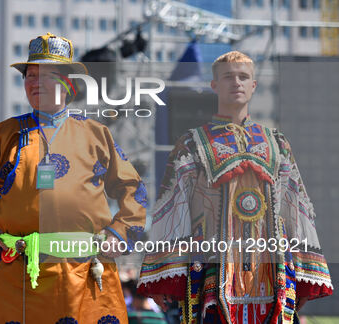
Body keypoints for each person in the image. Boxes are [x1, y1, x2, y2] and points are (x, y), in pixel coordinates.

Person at [0, 33, 148, 323]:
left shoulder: (96, 134)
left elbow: (134, 190)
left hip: (85, 273)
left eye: (44, 75)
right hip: (17, 270)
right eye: (29, 75)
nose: (34, 82)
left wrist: (118, 234)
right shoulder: (3, 136)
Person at [138, 51, 333, 323]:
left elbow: (297, 209)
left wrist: (305, 273)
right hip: (210, 273)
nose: (237, 83)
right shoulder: (192, 143)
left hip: (274, 277)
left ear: (254, 85)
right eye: (228, 77)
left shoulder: (278, 144)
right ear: (214, 85)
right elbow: (172, 207)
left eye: (244, 77)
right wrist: (162, 273)